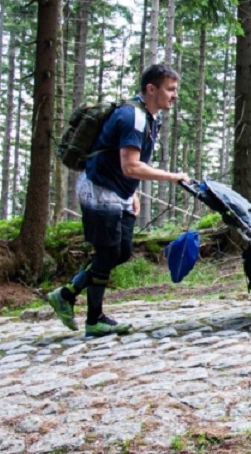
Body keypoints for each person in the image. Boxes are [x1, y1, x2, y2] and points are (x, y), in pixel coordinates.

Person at [46, 64, 191, 337]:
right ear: (151, 89)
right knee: (109, 252)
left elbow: (125, 161)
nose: (175, 95)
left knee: (121, 251)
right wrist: (172, 176)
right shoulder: (132, 117)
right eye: (170, 89)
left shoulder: (150, 118)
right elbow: (131, 166)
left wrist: (132, 192)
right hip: (100, 190)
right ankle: (93, 319)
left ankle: (66, 294)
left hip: (120, 192)